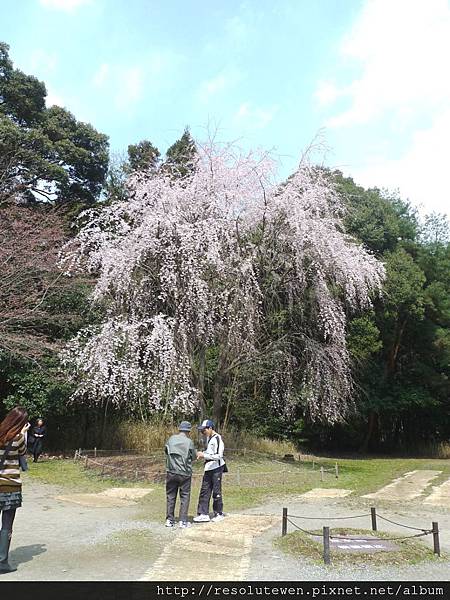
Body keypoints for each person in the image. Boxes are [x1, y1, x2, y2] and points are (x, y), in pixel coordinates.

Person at [0, 407, 29, 574]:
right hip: (11, 487)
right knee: (6, 526)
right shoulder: (18, 438)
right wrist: (23, 433)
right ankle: (2, 562)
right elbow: (23, 453)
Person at [164, 421, 197, 528]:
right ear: (188, 431)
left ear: (179, 429)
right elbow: (193, 456)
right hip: (185, 473)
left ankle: (169, 520)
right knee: (185, 496)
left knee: (171, 495)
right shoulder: (189, 442)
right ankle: (183, 521)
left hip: (171, 471)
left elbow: (166, 451)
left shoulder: (171, 439)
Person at [193, 419, 226, 523]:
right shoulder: (209, 438)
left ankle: (218, 513)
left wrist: (205, 455)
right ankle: (203, 514)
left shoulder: (217, 438)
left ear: (210, 428)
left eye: (204, 430)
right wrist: (202, 454)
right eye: (202, 431)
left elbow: (219, 455)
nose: (203, 432)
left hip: (216, 468)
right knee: (204, 490)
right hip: (208, 468)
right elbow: (209, 452)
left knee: (216, 491)